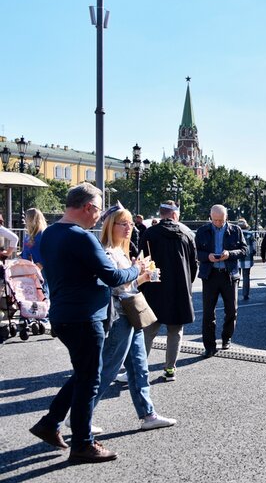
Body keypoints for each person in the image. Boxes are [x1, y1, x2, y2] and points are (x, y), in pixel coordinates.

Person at [29, 183, 146, 463]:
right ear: (88, 208)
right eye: (98, 211)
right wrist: (137, 269)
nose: (99, 217)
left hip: (63, 314)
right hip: (85, 317)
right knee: (90, 379)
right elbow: (114, 277)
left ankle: (49, 423)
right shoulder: (82, 237)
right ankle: (82, 443)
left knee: (83, 373)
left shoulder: (49, 234)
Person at [95, 203, 176, 430]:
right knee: (109, 368)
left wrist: (143, 277)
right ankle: (81, 414)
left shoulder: (121, 250)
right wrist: (137, 273)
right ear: (111, 225)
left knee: (139, 367)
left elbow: (127, 285)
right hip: (120, 316)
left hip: (132, 314)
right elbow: (115, 285)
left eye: (130, 223)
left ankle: (148, 415)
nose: (129, 227)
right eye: (123, 223)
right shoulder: (106, 251)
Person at [139, 200, 198, 382]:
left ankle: (140, 370)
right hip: (179, 289)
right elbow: (194, 264)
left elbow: (142, 262)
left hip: (155, 288)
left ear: (161, 213)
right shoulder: (187, 233)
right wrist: (187, 282)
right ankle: (170, 369)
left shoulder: (149, 233)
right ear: (174, 215)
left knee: (148, 332)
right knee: (175, 332)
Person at [195, 204, 247, 357]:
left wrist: (229, 254)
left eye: (221, 220)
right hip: (210, 275)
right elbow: (196, 252)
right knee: (208, 313)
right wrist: (207, 257)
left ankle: (226, 337)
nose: (218, 223)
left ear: (227, 218)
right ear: (210, 217)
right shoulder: (202, 231)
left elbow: (245, 250)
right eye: (215, 220)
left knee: (232, 309)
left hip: (229, 274)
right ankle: (209, 346)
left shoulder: (236, 230)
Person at [237, 218, 257, 300]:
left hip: (237, 256)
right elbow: (254, 246)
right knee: (246, 276)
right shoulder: (250, 234)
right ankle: (245, 294)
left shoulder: (235, 233)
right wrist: (253, 253)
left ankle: (234, 292)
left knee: (235, 276)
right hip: (247, 257)